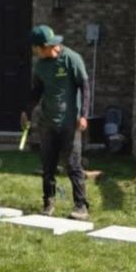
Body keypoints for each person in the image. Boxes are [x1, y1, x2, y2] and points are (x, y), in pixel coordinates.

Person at [23, 25, 90, 221]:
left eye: (36, 48)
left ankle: (81, 206)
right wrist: (26, 111)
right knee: (48, 165)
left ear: (45, 46)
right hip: (47, 122)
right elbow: (37, 90)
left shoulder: (71, 59)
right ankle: (48, 202)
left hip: (70, 122)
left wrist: (84, 115)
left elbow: (85, 87)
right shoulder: (41, 65)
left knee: (73, 164)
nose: (35, 52)